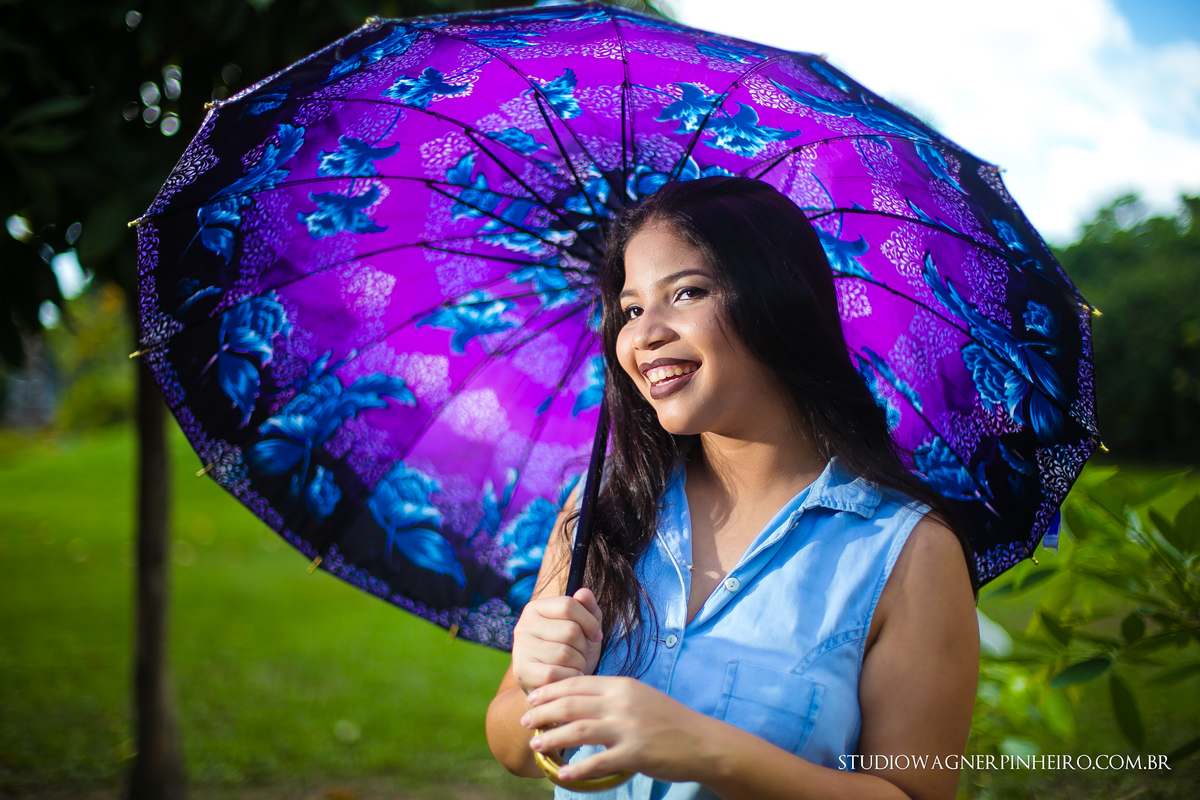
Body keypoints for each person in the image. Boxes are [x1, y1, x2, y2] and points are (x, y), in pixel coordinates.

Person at [485, 177, 979, 800]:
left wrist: (707, 750)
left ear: (777, 300)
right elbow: (510, 744)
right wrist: (535, 687)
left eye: (686, 293)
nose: (643, 335)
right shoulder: (601, 510)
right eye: (632, 309)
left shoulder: (907, 551)